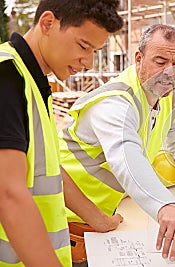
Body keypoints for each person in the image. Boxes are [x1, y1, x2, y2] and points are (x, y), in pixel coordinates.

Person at [58, 24, 175, 263]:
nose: (169, 72)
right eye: (160, 62)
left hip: (110, 215)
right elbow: (127, 158)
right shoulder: (114, 102)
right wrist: (165, 206)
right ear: (139, 59)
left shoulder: (168, 93)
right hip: (70, 218)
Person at [0, 0, 123, 266]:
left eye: (95, 51)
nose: (88, 62)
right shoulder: (7, 76)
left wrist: (98, 220)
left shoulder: (33, 81)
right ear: (47, 23)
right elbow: (9, 194)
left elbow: (49, 168)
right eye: (83, 46)